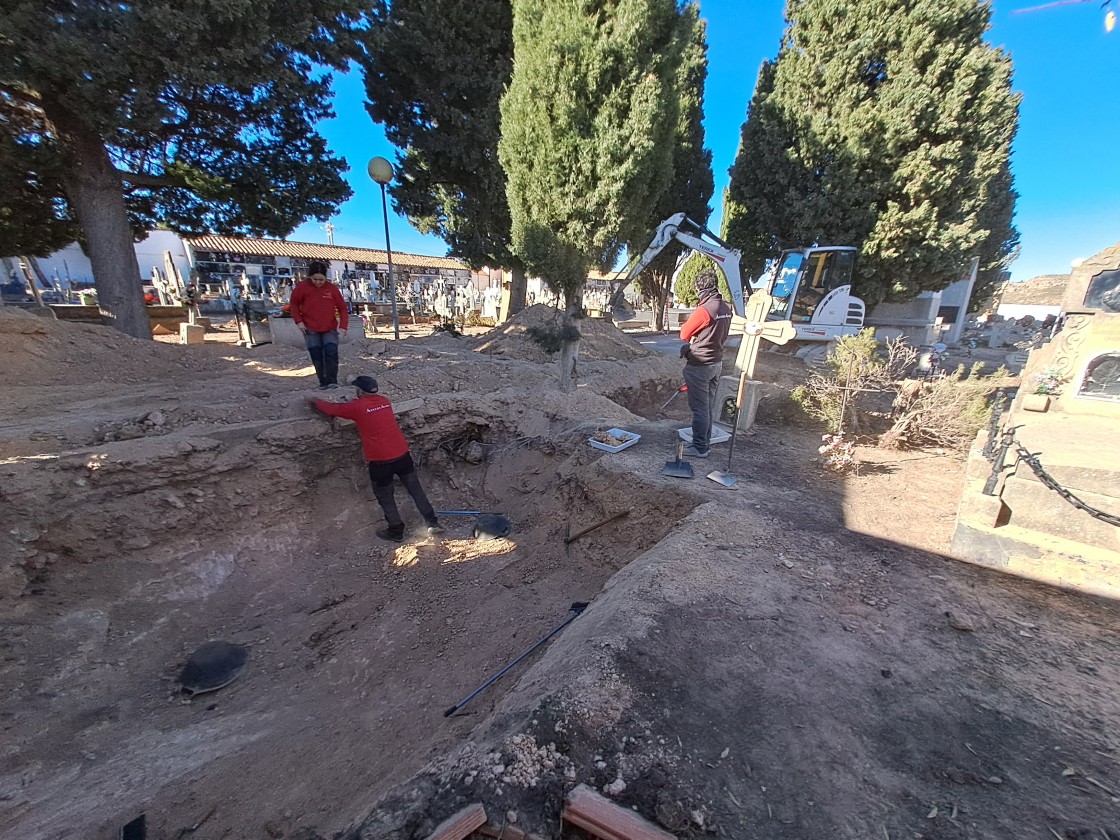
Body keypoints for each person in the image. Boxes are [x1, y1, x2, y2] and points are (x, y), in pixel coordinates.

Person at [309, 376, 443, 542]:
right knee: (415, 489)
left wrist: (313, 400)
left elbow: (331, 409)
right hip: (402, 455)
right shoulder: (384, 401)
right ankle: (432, 522)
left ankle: (396, 530)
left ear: (360, 391)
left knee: (385, 495)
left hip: (381, 462)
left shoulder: (357, 406)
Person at [678, 269, 733, 458]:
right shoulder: (725, 308)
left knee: (699, 408)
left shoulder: (705, 309)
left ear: (699, 287)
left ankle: (700, 447)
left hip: (699, 366)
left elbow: (684, 334)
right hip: (716, 363)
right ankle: (705, 442)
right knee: (707, 406)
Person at [290, 261, 348, 390]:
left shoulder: (332, 289)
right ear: (310, 276)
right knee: (316, 354)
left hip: (330, 327)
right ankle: (323, 381)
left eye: (321, 279)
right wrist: (299, 322)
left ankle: (332, 381)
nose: (318, 282)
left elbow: (343, 308)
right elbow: (293, 305)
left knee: (331, 352)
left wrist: (343, 326)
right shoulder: (302, 287)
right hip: (310, 327)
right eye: (315, 279)